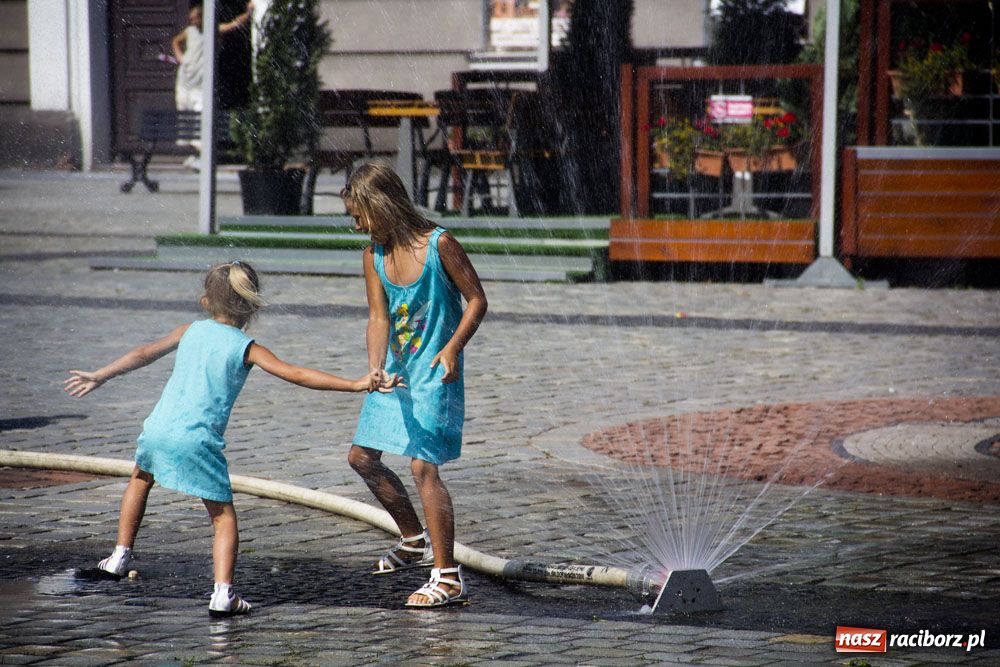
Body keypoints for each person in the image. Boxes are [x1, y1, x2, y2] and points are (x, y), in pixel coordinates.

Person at [64, 261, 401, 617]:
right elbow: (298, 374)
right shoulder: (247, 347)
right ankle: (223, 594)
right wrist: (356, 383)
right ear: (252, 306)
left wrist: (101, 375)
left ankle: (119, 556)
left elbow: (144, 352)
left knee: (140, 478)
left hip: (157, 429)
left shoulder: (189, 330)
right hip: (197, 441)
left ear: (206, 301)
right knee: (223, 517)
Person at [345, 163, 488, 608]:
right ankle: (412, 538)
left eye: (360, 215)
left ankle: (447, 576)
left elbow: (477, 300)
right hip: (398, 373)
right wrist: (374, 366)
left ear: (383, 205)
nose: (356, 225)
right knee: (362, 458)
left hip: (435, 374)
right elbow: (378, 317)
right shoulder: (373, 255)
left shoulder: (439, 244)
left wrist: (452, 348)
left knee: (423, 468)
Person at [171, 2, 254, 167]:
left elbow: (234, 25)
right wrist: (180, 57)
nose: (194, 22)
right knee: (186, 117)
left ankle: (203, 157)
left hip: (200, 85)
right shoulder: (190, 31)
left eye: (196, 19)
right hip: (185, 81)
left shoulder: (213, 30)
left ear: (203, 17)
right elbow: (176, 41)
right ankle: (195, 154)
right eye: (191, 19)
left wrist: (249, 13)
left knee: (200, 118)